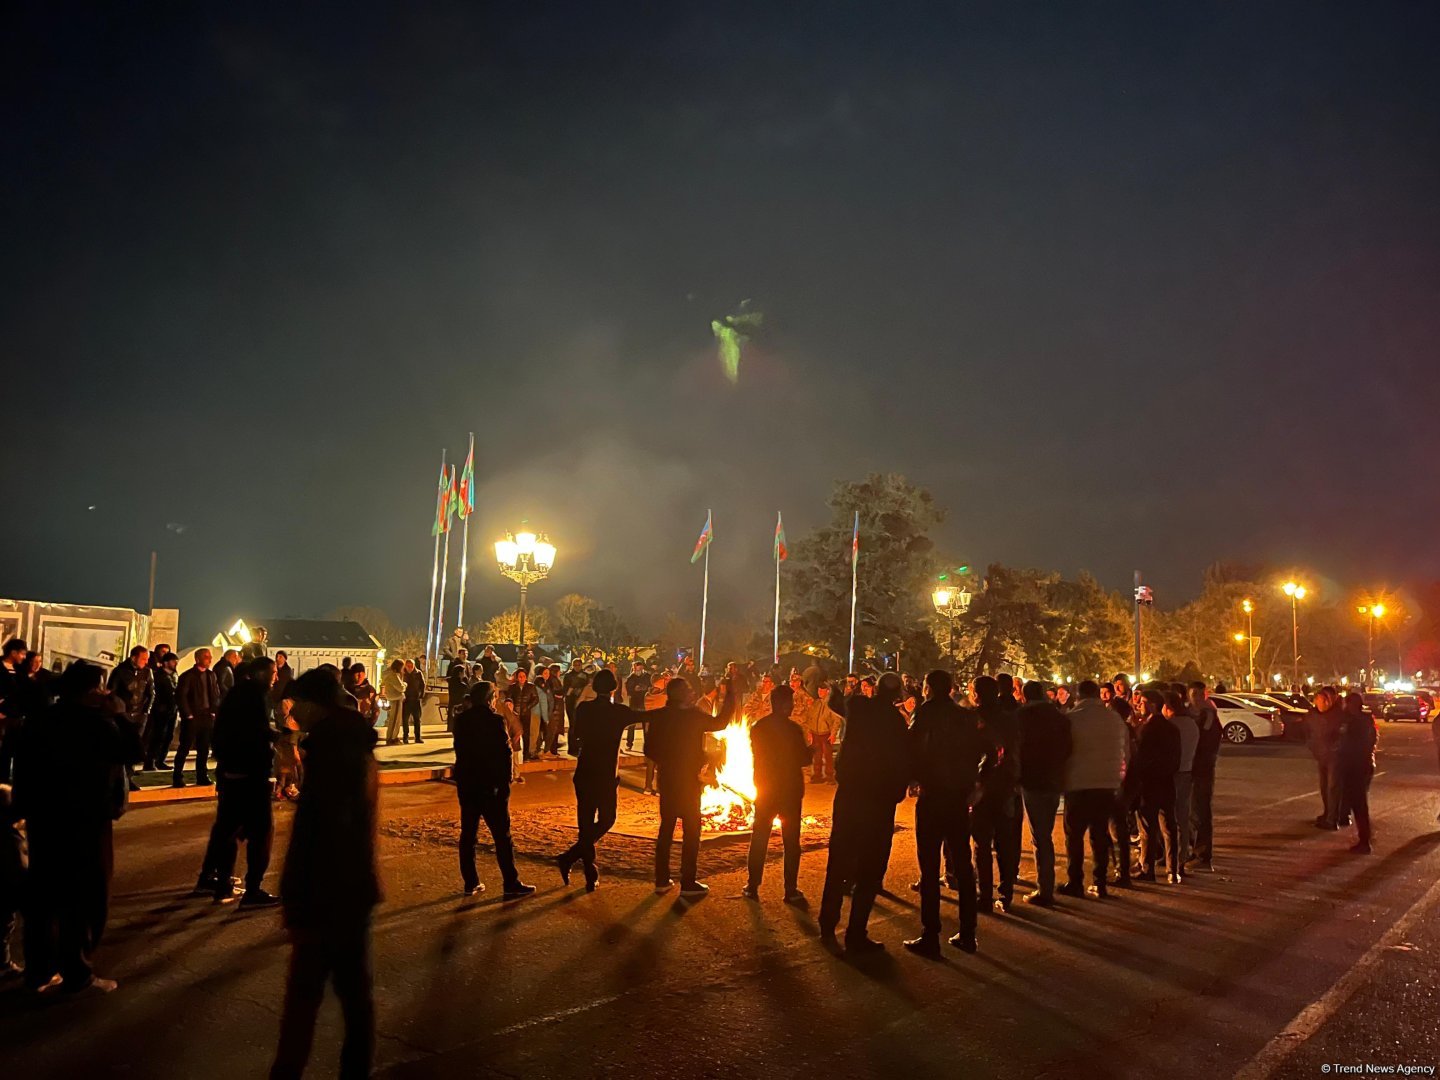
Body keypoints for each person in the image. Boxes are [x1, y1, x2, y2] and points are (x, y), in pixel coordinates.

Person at [270, 667, 382, 1080]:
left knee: (313, 1000)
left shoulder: (337, 750)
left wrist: (300, 892)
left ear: (317, 704)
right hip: (344, 891)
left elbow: (328, 829)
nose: (292, 713)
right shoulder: (343, 743)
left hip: (331, 895)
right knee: (349, 1000)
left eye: (298, 705)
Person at [14, 661, 141, 995]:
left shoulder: (42, 720)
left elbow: (23, 768)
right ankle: (77, 972)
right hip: (87, 820)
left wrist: (23, 809)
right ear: (89, 693)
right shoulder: (98, 724)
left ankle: (40, 971)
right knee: (87, 898)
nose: (106, 693)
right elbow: (133, 752)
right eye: (101, 687)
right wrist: (120, 715)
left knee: (45, 897)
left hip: (45, 820)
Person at [818, 672, 909, 954]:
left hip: (850, 797)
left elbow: (838, 704)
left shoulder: (858, 706)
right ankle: (856, 932)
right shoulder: (897, 722)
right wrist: (898, 792)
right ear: (897, 695)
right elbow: (903, 761)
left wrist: (834, 689)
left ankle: (827, 922)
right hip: (879, 803)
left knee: (839, 860)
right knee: (870, 870)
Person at [903, 670, 989, 956]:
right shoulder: (965, 717)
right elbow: (987, 750)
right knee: (962, 864)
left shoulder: (925, 714)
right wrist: (977, 782)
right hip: (957, 798)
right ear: (951, 689)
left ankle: (930, 935)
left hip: (933, 797)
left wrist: (913, 778)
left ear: (927, 688)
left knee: (929, 869)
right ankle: (968, 933)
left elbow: (913, 749)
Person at [196, 658, 279, 906]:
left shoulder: (235, 695)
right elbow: (256, 732)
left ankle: (220, 884)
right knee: (261, 832)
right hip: (250, 774)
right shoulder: (255, 696)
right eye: (273, 672)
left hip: (230, 772)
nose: (275, 677)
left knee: (227, 829)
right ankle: (252, 890)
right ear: (262, 673)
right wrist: (276, 740)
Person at [644, 674, 736, 897]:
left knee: (666, 830)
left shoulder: (661, 716)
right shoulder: (693, 716)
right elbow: (720, 723)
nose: (692, 691)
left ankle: (662, 880)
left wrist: (666, 761)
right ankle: (687, 882)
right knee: (692, 832)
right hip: (687, 782)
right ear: (680, 694)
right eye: (687, 689)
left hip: (667, 780)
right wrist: (732, 695)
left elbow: (649, 750)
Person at [451, 682, 535, 899]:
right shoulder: (495, 720)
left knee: (468, 834)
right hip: (491, 787)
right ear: (490, 699)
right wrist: (506, 783)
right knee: (502, 835)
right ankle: (510, 881)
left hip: (468, 784)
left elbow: (460, 751)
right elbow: (504, 753)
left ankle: (471, 882)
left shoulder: (462, 720)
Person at [557, 670, 639, 890]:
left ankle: (583, 868)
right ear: (613, 688)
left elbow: (577, 734)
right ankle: (576, 863)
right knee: (607, 819)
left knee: (586, 824)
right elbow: (648, 715)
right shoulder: (619, 712)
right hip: (605, 774)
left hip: (585, 771)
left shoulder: (584, 709)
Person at [1060, 680, 1129, 898]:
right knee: (1100, 834)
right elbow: (1125, 751)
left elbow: (1063, 752)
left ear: (1078, 696)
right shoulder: (1114, 719)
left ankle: (1076, 881)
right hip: (1107, 784)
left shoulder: (1071, 719)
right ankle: (1100, 882)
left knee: (1074, 836)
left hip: (1078, 783)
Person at [742, 684, 810, 903]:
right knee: (791, 842)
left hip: (766, 789)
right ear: (781, 704)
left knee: (760, 837)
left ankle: (752, 886)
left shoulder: (758, 727)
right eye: (790, 703)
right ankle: (790, 889)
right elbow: (803, 759)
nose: (792, 707)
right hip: (788, 791)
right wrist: (811, 752)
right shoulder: (793, 730)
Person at [1017, 680, 1071, 907]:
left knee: (1040, 836)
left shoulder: (1023, 717)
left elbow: (1017, 746)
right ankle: (1046, 885)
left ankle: (1045, 888)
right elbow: (1068, 747)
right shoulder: (1059, 717)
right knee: (1045, 832)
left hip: (1032, 779)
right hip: (1054, 778)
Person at [970, 675, 1021, 913]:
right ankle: (1006, 892)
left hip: (982, 787)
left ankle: (985, 895)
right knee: (1005, 841)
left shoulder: (972, 719)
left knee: (981, 844)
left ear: (977, 694)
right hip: (1006, 786)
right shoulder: (1010, 719)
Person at [1129, 690, 1182, 883]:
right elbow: (1176, 758)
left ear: (1152, 704)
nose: (1139, 705)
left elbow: (1139, 759)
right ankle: (1173, 869)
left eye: (1142, 702)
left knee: (1147, 829)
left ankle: (1147, 868)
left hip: (1149, 784)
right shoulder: (1172, 729)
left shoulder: (1146, 729)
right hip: (1167, 782)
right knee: (1169, 827)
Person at [1165, 685, 1200, 872]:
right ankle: (1182, 855)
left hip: (1172, 774)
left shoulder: (1172, 725)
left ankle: (1172, 857)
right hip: (1187, 771)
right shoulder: (1191, 724)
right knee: (1182, 816)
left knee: (1169, 819)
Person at [1187, 681, 1221, 871]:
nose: (1196, 698)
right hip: (1190, 769)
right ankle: (1193, 849)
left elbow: (1208, 743)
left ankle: (1203, 853)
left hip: (1202, 770)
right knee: (1191, 812)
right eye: (1193, 694)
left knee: (1201, 811)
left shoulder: (1209, 716)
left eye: (1200, 694)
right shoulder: (1188, 714)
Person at [175, 648, 221, 787]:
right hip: (192, 717)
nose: (209, 659)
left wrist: (213, 711)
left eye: (210, 656)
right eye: (206, 657)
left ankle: (202, 776)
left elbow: (216, 694)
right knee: (185, 747)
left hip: (207, 717)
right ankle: (177, 776)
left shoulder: (211, 675)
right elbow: (181, 696)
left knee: (204, 749)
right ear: (198, 659)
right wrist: (188, 714)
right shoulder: (187, 676)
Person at [1338, 689, 1376, 854]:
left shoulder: (1355, 722)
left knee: (1359, 804)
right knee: (1358, 803)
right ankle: (1364, 837)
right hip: (1363, 765)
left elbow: (1348, 743)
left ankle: (1365, 840)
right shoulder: (1366, 720)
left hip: (1356, 767)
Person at [1307, 687, 1347, 830]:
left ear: (1328, 700)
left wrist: (1335, 748)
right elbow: (1308, 732)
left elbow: (1344, 737)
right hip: (1322, 756)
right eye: (1316, 699)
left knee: (1333, 788)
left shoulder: (1339, 716)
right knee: (1324, 787)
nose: (1317, 702)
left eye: (1320, 700)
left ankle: (1333, 819)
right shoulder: (1313, 714)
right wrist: (1312, 746)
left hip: (1335, 757)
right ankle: (1328, 813)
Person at [0, 783, 26, 980]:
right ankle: (4, 965)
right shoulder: (11, 840)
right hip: (6, 894)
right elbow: (19, 870)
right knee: (4, 928)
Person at [799, 680, 841, 783]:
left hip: (826, 733)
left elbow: (836, 720)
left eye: (822, 690)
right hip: (815, 733)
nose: (820, 692)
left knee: (828, 756)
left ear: (827, 691)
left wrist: (833, 734)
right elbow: (810, 717)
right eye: (819, 691)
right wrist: (809, 731)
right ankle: (817, 775)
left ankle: (830, 776)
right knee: (817, 756)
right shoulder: (816, 703)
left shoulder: (831, 704)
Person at [146, 651, 181, 772]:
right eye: (173, 661)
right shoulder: (158, 676)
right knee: (158, 736)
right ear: (166, 663)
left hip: (172, 710)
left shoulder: (175, 675)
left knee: (168, 736)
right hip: (161, 711)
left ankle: (161, 760)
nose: (175, 663)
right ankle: (150, 761)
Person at [0, 638, 28, 783]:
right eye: (22, 653)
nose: (24, 657)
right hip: (2, 717)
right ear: (13, 652)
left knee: (10, 751)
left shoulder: (20, 670)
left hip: (15, 717)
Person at [504, 667, 540, 761]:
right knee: (515, 733)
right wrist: (510, 705)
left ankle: (526, 755)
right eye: (520, 676)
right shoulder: (512, 687)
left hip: (526, 713)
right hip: (515, 714)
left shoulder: (531, 687)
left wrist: (527, 707)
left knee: (526, 734)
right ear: (517, 677)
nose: (522, 678)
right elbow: (508, 697)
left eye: (523, 676)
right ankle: (515, 755)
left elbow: (536, 699)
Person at [380, 659, 407, 745]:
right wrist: (405, 684)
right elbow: (401, 688)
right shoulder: (393, 676)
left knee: (394, 719)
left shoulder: (390, 675)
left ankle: (392, 737)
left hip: (393, 698)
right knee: (395, 720)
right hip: (396, 698)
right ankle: (392, 738)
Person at [624, 661, 649, 751]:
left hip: (644, 703)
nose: (638, 670)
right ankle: (629, 743)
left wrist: (645, 688)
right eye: (636, 668)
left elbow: (650, 687)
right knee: (632, 724)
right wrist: (634, 689)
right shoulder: (630, 678)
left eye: (639, 668)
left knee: (646, 725)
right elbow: (628, 690)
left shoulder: (647, 676)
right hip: (634, 704)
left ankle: (648, 744)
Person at [403, 658, 426, 745]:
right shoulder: (403, 673)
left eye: (411, 666)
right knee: (405, 720)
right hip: (406, 700)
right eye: (408, 666)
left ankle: (417, 737)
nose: (409, 667)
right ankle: (405, 737)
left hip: (416, 700)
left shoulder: (418, 673)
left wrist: (421, 695)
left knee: (417, 719)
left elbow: (423, 685)